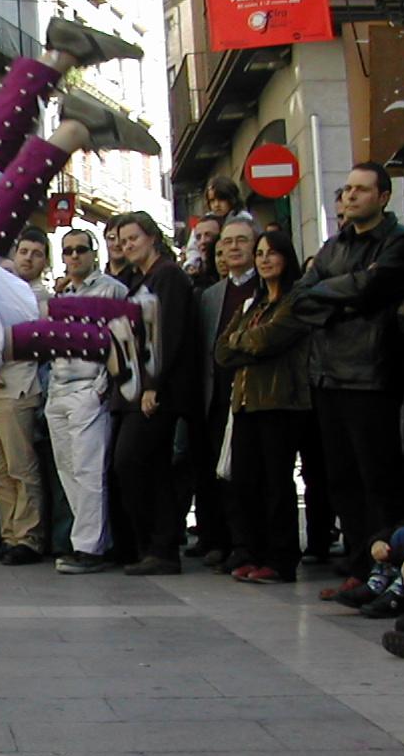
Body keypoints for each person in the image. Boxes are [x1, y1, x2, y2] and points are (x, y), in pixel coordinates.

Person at [296, 162, 404, 593]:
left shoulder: (400, 241)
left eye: (361, 189)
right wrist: (346, 298)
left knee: (378, 479)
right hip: (328, 374)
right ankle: (359, 566)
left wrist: (335, 296)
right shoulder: (334, 245)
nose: (350, 195)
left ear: (383, 197)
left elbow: (375, 289)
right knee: (342, 479)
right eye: (347, 188)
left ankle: (389, 572)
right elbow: (301, 297)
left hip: (372, 373)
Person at [214, 229, 311, 584]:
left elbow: (268, 340)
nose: (265, 259)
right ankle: (253, 552)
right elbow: (222, 351)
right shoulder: (252, 305)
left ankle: (281, 558)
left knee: (276, 483)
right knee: (246, 481)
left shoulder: (295, 301)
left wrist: (244, 343)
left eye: (272, 253)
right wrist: (247, 343)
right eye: (260, 253)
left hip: (279, 401)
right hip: (245, 402)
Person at [112, 212, 197, 575]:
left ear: (152, 237)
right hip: (135, 388)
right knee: (149, 466)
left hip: (158, 390)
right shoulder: (140, 280)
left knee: (132, 461)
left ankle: (160, 545)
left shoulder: (168, 276)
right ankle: (155, 547)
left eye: (133, 238)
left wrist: (153, 386)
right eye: (122, 241)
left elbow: (167, 334)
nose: (128, 245)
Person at [47, 227, 128, 574]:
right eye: (68, 251)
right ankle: (92, 540)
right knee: (68, 471)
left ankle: (89, 548)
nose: (75, 255)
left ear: (94, 253)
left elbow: (123, 342)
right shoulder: (62, 295)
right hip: (59, 390)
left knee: (88, 470)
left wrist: (102, 385)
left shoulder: (111, 290)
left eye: (81, 249)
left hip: (88, 390)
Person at [0, 228, 50, 566]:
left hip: (16, 386)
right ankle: (10, 534)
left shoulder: (39, 298)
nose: (28, 258)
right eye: (24, 251)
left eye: (36, 253)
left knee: (20, 467)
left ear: (45, 262)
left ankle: (30, 538)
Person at [191, 214, 259, 570]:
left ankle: (251, 545)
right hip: (217, 397)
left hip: (255, 397)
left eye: (241, 240)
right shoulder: (211, 296)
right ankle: (223, 541)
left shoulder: (266, 286)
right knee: (219, 474)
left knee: (252, 476)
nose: (233, 248)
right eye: (227, 242)